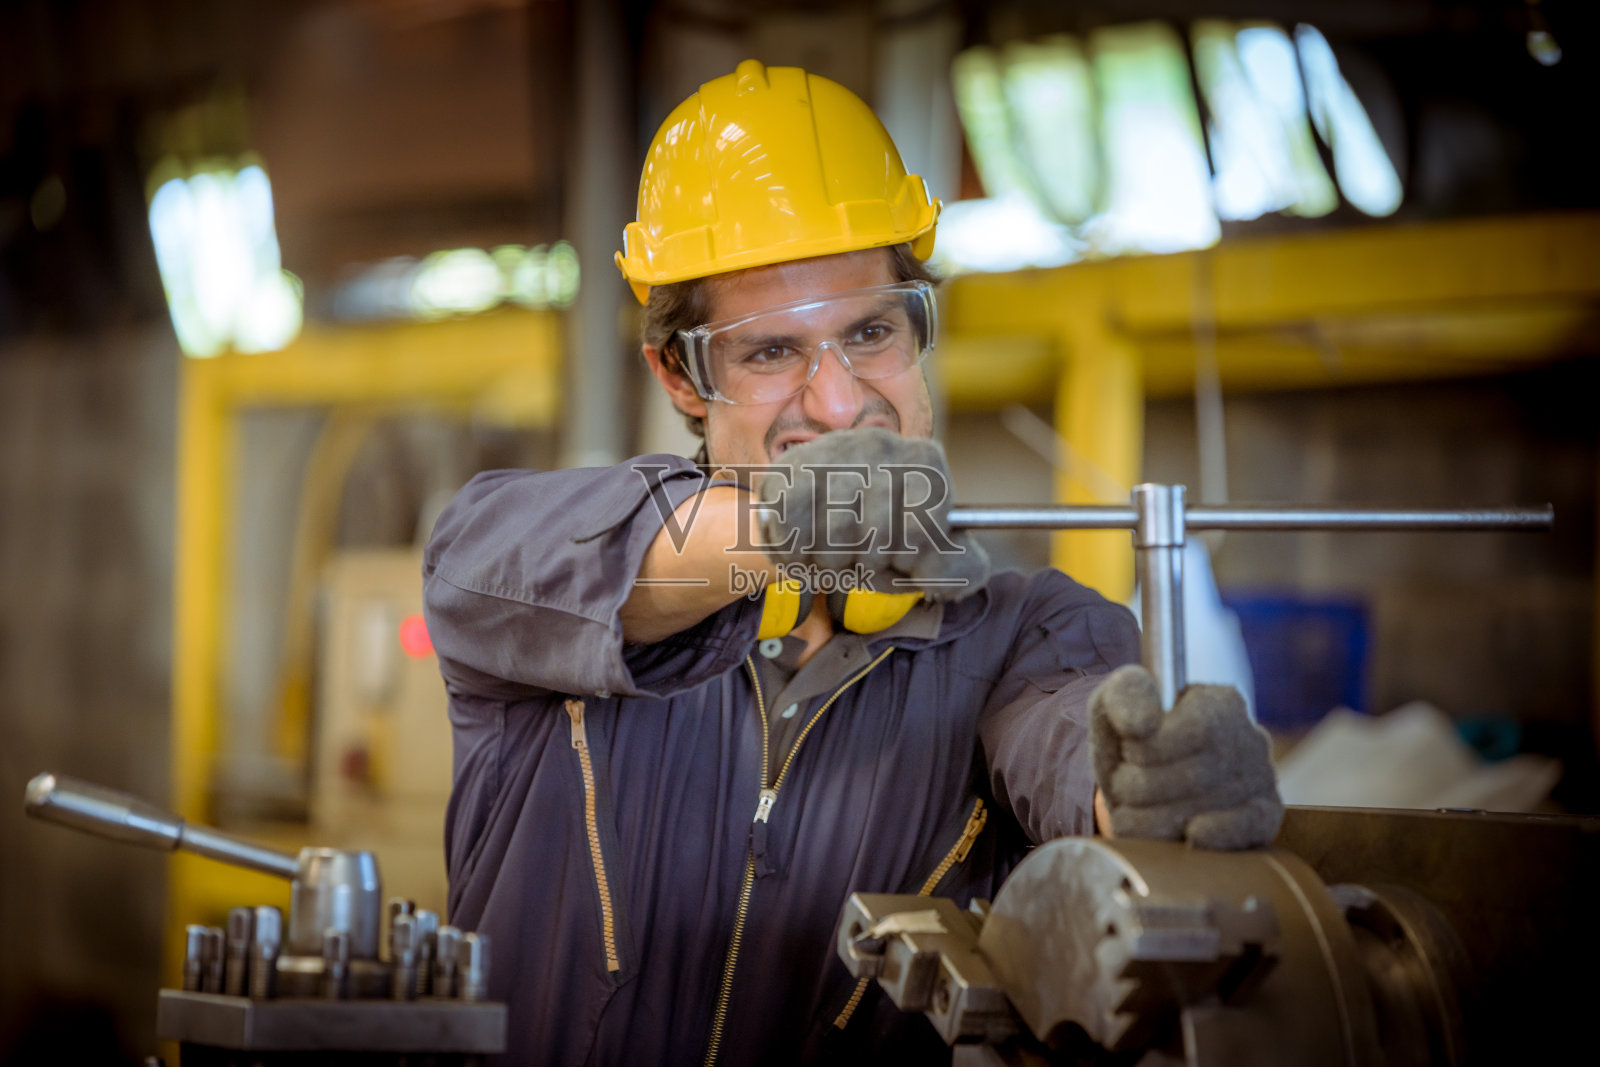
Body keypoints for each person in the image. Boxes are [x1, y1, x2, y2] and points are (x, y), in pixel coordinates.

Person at [422, 60, 1281, 1067]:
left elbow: (1067, 735)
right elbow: (540, 565)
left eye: (870, 332)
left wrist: (1142, 789)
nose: (837, 403)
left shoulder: (1026, 634)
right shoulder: (511, 552)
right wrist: (789, 526)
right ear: (680, 376)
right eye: (771, 352)